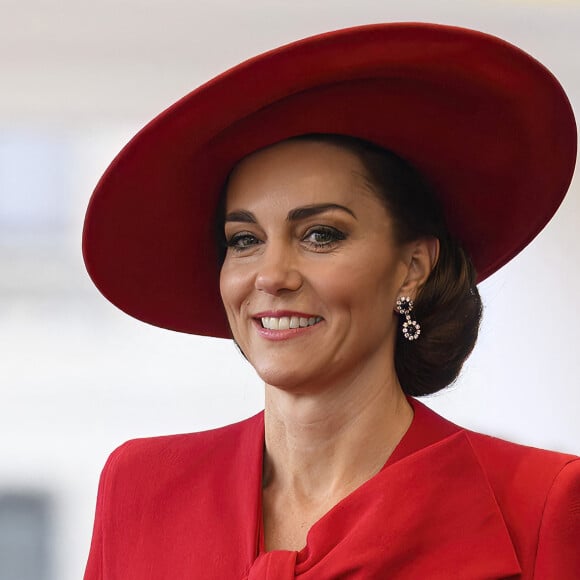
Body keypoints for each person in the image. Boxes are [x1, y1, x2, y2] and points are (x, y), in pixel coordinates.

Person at [82, 23, 580, 579]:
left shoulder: (539, 504)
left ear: (413, 267)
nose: (271, 276)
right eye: (244, 240)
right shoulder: (140, 487)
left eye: (321, 234)